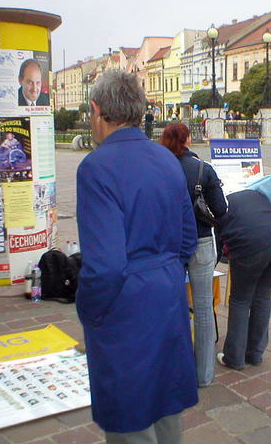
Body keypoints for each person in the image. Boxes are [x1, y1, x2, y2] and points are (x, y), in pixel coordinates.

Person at [76, 70, 198, 443]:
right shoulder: (166, 159)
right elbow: (187, 237)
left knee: (130, 415)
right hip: (167, 293)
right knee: (166, 405)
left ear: (97, 110)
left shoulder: (97, 167)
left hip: (124, 302)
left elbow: (105, 266)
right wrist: (165, 273)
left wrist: (89, 309)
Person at [160, 122, 226, 388]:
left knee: (172, 307)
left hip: (169, 245)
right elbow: (221, 208)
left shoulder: (159, 169)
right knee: (203, 308)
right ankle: (204, 374)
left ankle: (174, 369)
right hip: (201, 241)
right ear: (187, 139)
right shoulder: (202, 169)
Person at [216, 189, 271, 370]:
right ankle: (255, 353)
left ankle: (234, 357)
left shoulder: (219, 206)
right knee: (263, 295)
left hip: (251, 246)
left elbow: (217, 248)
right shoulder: (254, 193)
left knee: (240, 300)